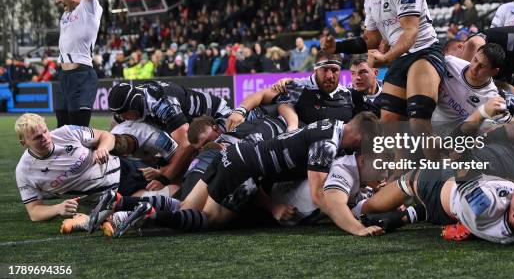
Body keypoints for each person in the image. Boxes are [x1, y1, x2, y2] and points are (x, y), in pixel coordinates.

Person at [95, 114, 382, 237]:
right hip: (242, 171)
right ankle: (146, 213)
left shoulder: (329, 125)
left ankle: (120, 202)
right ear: (360, 136)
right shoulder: (328, 142)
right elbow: (321, 196)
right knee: (206, 221)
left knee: (185, 208)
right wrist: (355, 227)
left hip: (230, 156)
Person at [321, 0, 445, 156]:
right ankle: (400, 177)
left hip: (423, 52)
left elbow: (411, 32)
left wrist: (387, 58)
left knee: (418, 123)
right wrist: (336, 47)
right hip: (400, 57)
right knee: (388, 123)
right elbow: (370, 39)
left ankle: (444, 176)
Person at [360, 168, 514, 244]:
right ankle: (411, 214)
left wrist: (479, 120)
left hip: (439, 191)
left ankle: (362, 208)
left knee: (410, 179)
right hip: (453, 213)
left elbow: (463, 171)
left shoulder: (485, 207)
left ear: (513, 216)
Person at [13, 113, 150, 222]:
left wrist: (102, 148)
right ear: (23, 143)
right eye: (37, 137)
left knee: (166, 178)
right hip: (104, 201)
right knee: (156, 204)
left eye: (45, 131)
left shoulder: (66, 132)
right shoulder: (24, 171)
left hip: (124, 170)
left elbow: (106, 135)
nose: (45, 138)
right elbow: (34, 212)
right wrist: (58, 208)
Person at [107, 80, 233, 189]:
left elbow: (186, 144)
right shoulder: (133, 101)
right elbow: (116, 124)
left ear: (135, 104)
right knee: (170, 160)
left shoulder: (163, 104)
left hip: (217, 120)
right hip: (193, 125)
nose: (124, 118)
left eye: (125, 114)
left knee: (201, 163)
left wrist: (164, 178)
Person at [51, 0, 102, 127]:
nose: (57, 0)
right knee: (63, 132)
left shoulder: (88, 8)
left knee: (77, 132)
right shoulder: (68, 11)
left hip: (82, 76)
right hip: (64, 76)